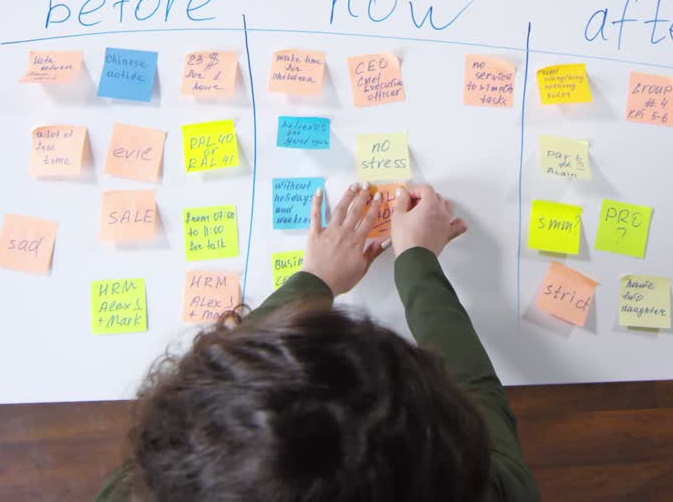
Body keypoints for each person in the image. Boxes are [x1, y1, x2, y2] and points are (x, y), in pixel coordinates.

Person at [97, 183, 540, 502]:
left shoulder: (152, 484)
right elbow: (479, 395)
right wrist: (416, 261)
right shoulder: (483, 487)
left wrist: (313, 279)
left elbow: (204, 405)